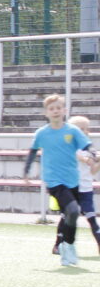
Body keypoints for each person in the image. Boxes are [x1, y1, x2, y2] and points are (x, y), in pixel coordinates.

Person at [23, 94, 93, 266]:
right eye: (51, 109)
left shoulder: (72, 131)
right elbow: (33, 151)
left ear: (64, 110)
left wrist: (93, 153)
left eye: (58, 108)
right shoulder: (42, 133)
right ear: (46, 113)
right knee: (73, 210)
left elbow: (86, 145)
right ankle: (67, 247)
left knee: (71, 215)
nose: (55, 111)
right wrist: (26, 170)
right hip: (54, 181)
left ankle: (66, 244)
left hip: (72, 180)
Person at [67, 116, 100, 253]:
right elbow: (80, 157)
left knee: (91, 217)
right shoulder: (70, 146)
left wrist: (97, 161)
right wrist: (90, 159)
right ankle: (60, 244)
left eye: (87, 129)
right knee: (68, 218)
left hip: (86, 189)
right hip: (71, 188)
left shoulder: (89, 148)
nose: (86, 132)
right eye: (81, 129)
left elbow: (93, 171)